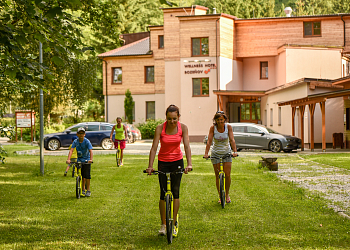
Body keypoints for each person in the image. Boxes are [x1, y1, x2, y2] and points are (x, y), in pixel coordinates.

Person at [146, 104, 192, 237]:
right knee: (163, 193)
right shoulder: (160, 128)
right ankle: (164, 224)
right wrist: (150, 166)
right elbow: (154, 147)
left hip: (177, 162)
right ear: (166, 117)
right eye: (169, 118)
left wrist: (189, 164)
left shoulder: (183, 128)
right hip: (163, 162)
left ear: (178, 117)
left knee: (176, 192)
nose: (172, 121)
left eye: (174, 118)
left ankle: (173, 222)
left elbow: (187, 146)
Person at [203, 111, 238, 204]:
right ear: (215, 120)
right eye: (218, 120)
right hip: (216, 153)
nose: (220, 122)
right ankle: (220, 196)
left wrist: (235, 151)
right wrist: (206, 153)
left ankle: (226, 194)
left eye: (221, 120)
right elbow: (209, 141)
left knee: (227, 175)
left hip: (226, 152)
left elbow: (232, 139)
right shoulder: (213, 128)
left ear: (225, 119)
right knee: (218, 176)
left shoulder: (228, 127)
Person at [66, 127, 93, 197]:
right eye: (80, 133)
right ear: (77, 134)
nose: (81, 135)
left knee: (87, 175)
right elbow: (71, 150)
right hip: (79, 159)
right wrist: (68, 159)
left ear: (85, 134)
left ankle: (88, 190)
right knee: (81, 175)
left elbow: (90, 151)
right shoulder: (75, 141)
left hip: (87, 159)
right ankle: (83, 189)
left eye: (82, 133)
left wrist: (91, 159)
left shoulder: (87, 141)